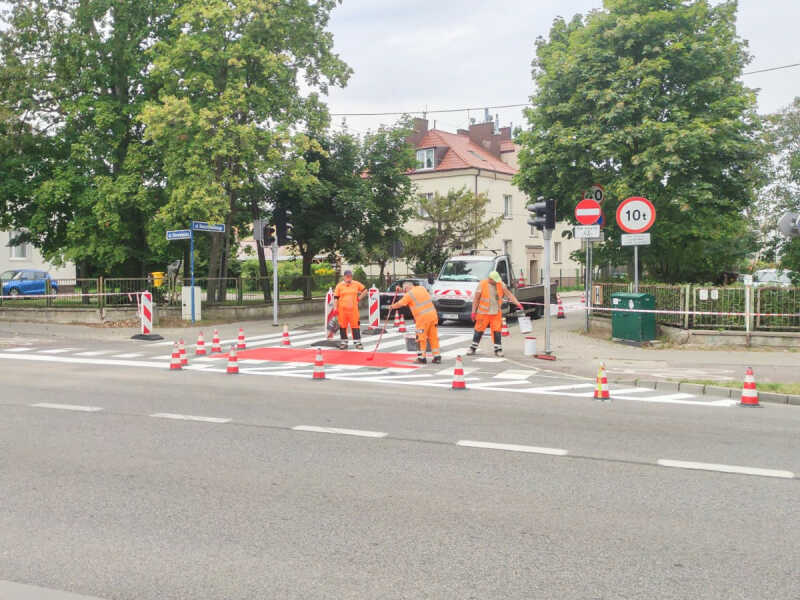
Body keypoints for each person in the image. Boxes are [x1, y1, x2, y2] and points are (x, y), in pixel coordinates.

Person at [468, 270, 523, 357]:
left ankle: (498, 349)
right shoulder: (482, 284)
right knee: (478, 330)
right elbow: (476, 299)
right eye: (495, 280)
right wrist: (473, 312)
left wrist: (518, 303)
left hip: (496, 312)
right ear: (490, 279)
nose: (497, 282)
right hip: (483, 313)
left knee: (497, 331)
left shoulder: (500, 284)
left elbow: (509, 295)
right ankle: (473, 348)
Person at [389, 281, 441, 364]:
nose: (404, 291)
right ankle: (437, 356)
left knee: (421, 338)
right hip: (433, 316)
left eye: (404, 289)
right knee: (433, 337)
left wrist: (392, 306)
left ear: (406, 288)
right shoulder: (422, 288)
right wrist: (401, 290)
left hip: (422, 319)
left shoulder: (409, 294)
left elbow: (401, 303)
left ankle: (421, 358)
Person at [334, 270, 368, 349]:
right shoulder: (339, 286)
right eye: (347, 276)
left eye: (350, 276)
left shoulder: (356, 284)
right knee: (342, 326)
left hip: (353, 310)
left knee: (355, 326)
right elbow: (336, 298)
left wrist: (359, 298)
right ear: (344, 277)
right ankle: (344, 342)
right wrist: (335, 308)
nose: (349, 278)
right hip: (342, 310)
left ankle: (358, 343)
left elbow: (365, 290)